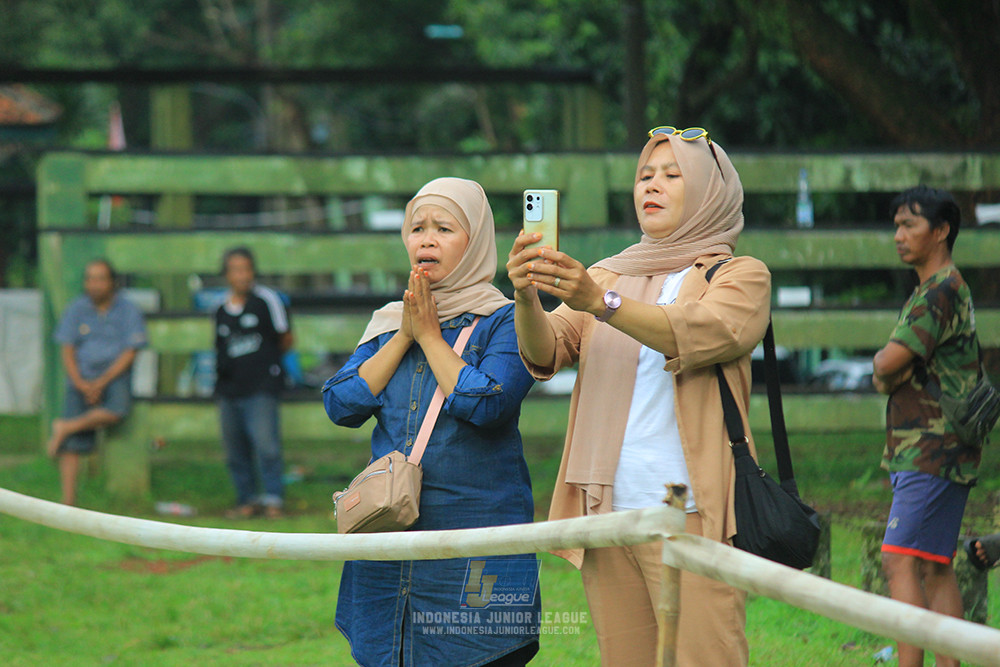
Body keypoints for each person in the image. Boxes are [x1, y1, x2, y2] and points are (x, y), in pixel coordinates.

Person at [507, 126, 770, 666]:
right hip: (608, 511)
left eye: (673, 175)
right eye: (645, 175)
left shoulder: (740, 276)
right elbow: (548, 350)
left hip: (692, 513)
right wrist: (526, 296)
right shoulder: (610, 274)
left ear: (707, 194)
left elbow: (701, 330)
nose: (652, 184)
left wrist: (600, 301)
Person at [324, 177, 540, 667]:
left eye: (444, 228)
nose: (426, 239)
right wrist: (403, 335)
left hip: (474, 546)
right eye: (416, 227)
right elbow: (341, 404)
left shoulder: (506, 319)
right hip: (387, 544)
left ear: (477, 240)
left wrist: (429, 334)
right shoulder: (387, 322)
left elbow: (489, 405)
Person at [872, 186, 981, 667]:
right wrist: (888, 369)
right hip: (933, 449)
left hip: (930, 448)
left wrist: (883, 364)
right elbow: (893, 369)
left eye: (909, 225)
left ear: (940, 232)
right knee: (936, 566)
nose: (898, 235)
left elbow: (889, 361)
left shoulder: (940, 289)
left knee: (898, 559)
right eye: (897, 225)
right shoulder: (934, 288)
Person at [46, 258, 148, 506]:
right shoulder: (76, 309)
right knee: (71, 448)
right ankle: (67, 504)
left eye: (101, 278)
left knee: (117, 410)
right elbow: (66, 349)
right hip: (81, 377)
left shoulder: (127, 310)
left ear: (112, 282)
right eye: (90, 278)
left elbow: (130, 352)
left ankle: (67, 426)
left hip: (114, 375)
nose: (95, 284)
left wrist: (102, 381)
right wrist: (81, 382)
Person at [214, 247, 293, 519]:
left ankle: (273, 500)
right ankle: (246, 500)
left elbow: (285, 337)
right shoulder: (221, 310)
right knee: (235, 449)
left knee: (266, 445)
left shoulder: (267, 301)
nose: (242, 275)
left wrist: (268, 367)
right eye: (235, 270)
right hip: (229, 390)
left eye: (246, 269)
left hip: (261, 387)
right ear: (226, 275)